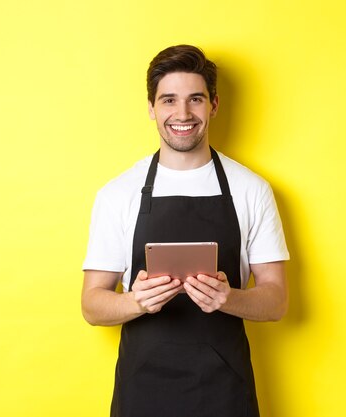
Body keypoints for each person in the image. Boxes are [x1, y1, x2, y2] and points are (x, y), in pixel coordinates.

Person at [82, 44, 289, 417]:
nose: (182, 114)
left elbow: (276, 299)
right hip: (142, 392)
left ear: (214, 105)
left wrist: (228, 298)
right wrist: (136, 301)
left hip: (224, 392)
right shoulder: (118, 194)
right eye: (168, 100)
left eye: (195, 99)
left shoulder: (251, 189)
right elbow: (92, 305)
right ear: (151, 108)